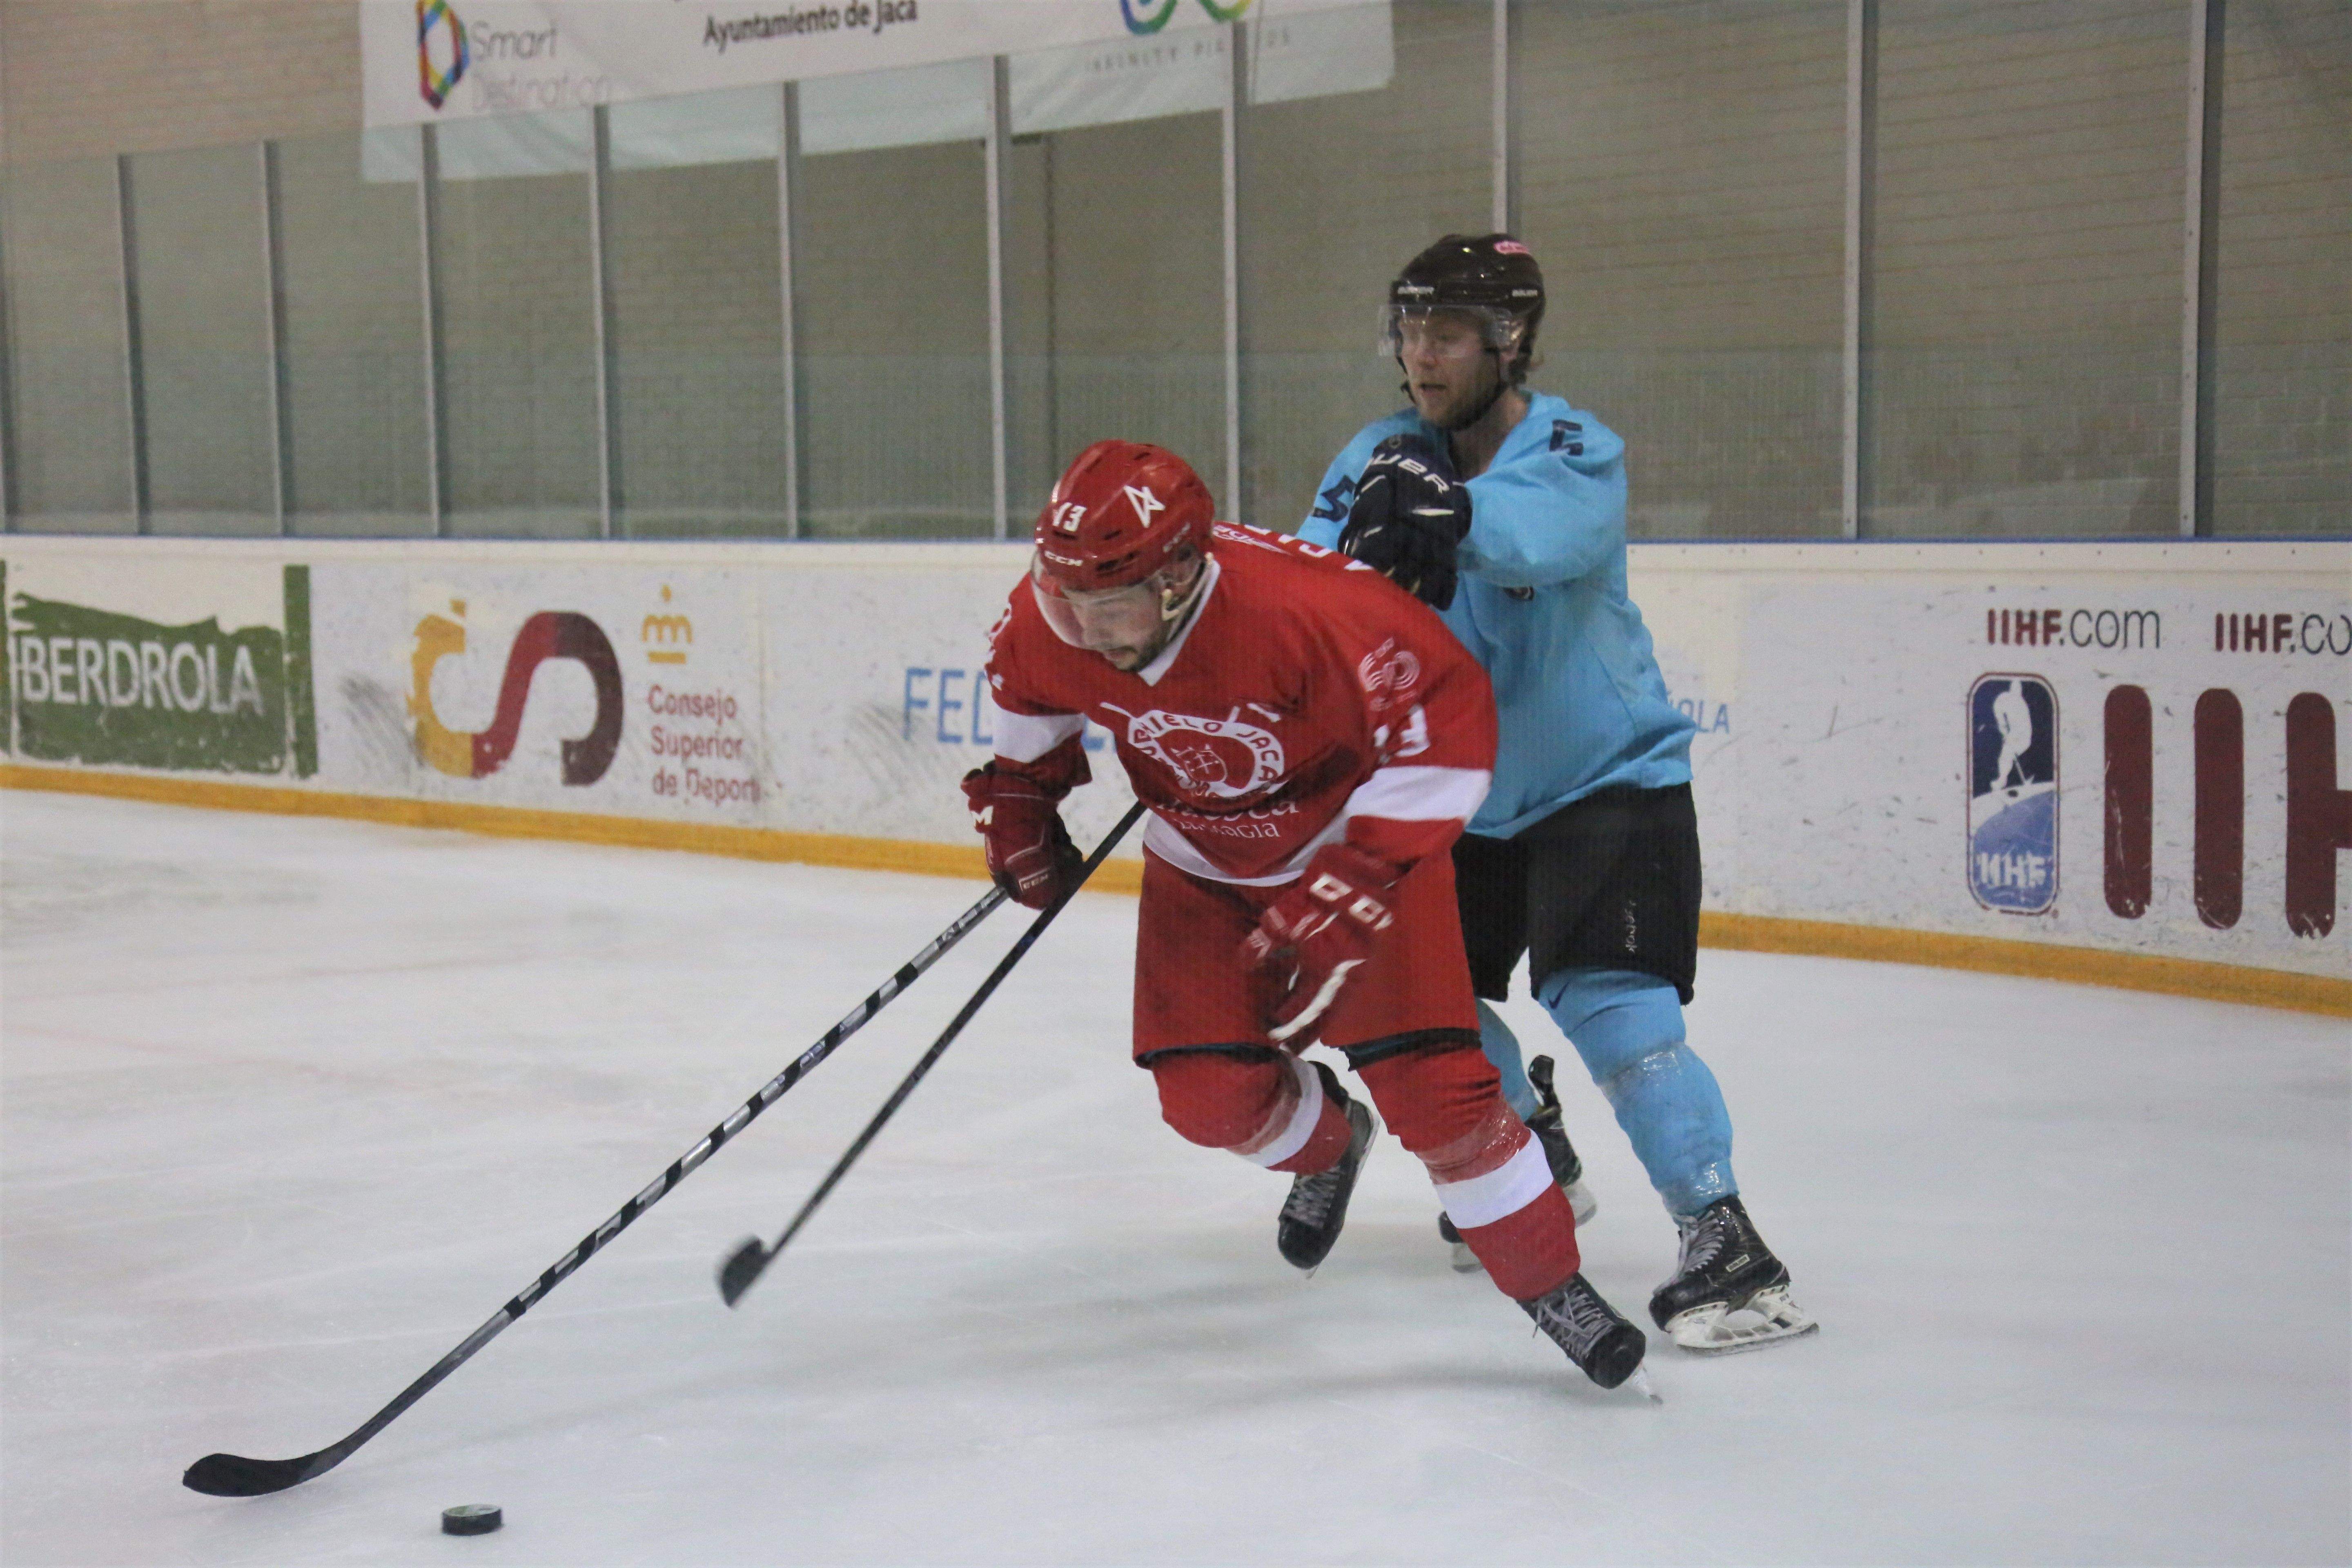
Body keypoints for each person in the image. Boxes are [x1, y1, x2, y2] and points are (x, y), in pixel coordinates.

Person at [964, 436, 1655, 1394]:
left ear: (1176, 577)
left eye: (1106, 605)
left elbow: (1448, 721)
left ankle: (1552, 1286)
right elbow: (1030, 693)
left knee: (1437, 1094)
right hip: (1200, 862)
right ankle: (1334, 1142)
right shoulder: (1059, 615)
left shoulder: (1312, 612)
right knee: (1204, 1097)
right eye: (1065, 599)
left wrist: (1363, 873)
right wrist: (1020, 801)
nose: (1081, 627)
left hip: (1352, 852)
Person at [1297, 234, 1817, 1356]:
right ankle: (1536, 1144)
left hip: (1601, 781)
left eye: (1445, 333)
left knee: (1615, 1012)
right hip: (1452, 796)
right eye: (1410, 330)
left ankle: (1727, 1243)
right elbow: (1309, 583)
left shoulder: (1576, 446)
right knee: (1406, 1007)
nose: (1420, 353)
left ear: (1510, 341)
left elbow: (1541, 536)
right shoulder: (1377, 450)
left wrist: (1454, 518)